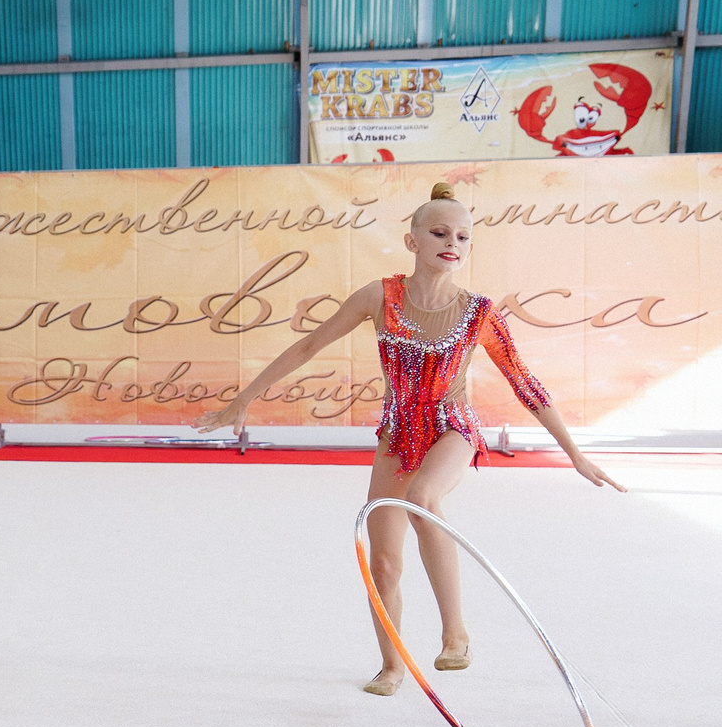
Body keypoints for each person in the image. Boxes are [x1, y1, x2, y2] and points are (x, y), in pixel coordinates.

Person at [199, 181, 624, 694]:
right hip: (399, 433)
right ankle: (393, 666)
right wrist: (243, 399)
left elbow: (524, 381)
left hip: (452, 427)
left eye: (464, 237)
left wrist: (574, 453)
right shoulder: (382, 296)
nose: (453, 243)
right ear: (413, 241)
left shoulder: (479, 312)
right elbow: (309, 344)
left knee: (424, 497)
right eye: (440, 232)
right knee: (384, 561)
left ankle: (456, 634)